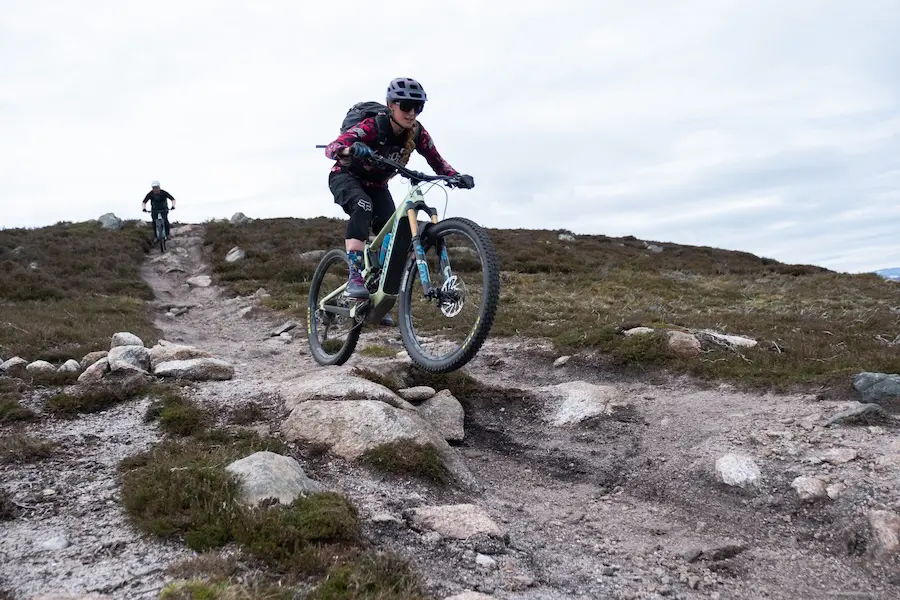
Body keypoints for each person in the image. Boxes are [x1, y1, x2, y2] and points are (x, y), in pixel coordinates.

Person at [323, 77, 475, 302]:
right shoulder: (373, 126)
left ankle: (374, 296)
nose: (412, 113)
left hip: (377, 186)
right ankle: (355, 277)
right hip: (346, 177)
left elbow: (436, 160)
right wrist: (351, 150)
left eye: (418, 107)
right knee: (363, 207)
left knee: (394, 235)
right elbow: (332, 148)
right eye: (406, 106)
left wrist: (455, 176)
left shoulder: (416, 133)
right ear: (391, 105)